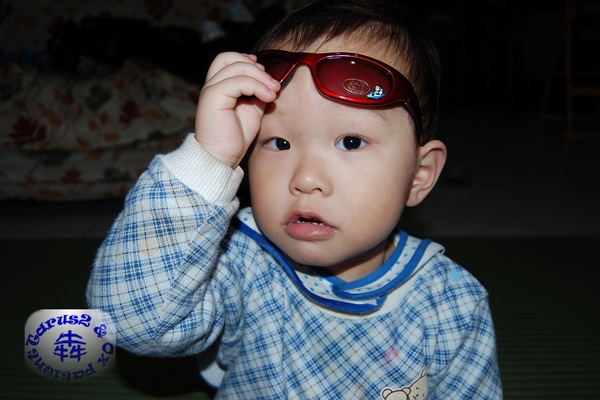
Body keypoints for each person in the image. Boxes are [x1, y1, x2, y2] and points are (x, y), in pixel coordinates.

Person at [86, 0, 503, 398]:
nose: (305, 178)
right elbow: (132, 320)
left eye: (351, 141)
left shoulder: (452, 305)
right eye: (279, 142)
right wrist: (208, 158)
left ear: (419, 175)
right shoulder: (238, 261)